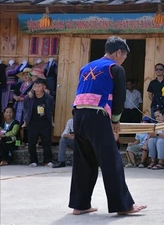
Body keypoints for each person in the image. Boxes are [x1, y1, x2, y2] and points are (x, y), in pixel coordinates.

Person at [69, 36, 146, 215]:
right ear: (119, 52)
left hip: (78, 114)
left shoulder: (85, 67)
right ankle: (123, 205)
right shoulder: (115, 68)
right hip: (97, 115)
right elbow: (119, 98)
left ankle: (80, 205)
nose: (124, 59)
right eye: (124, 56)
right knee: (111, 161)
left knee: (83, 161)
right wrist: (115, 121)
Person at [22, 78, 54, 167]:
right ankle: (33, 161)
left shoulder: (49, 98)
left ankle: (47, 160)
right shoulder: (28, 98)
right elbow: (25, 109)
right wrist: (26, 120)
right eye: (35, 86)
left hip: (44, 122)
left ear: (44, 87)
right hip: (33, 122)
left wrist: (51, 121)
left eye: (39, 86)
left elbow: (51, 110)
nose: (37, 88)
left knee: (46, 142)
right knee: (31, 143)